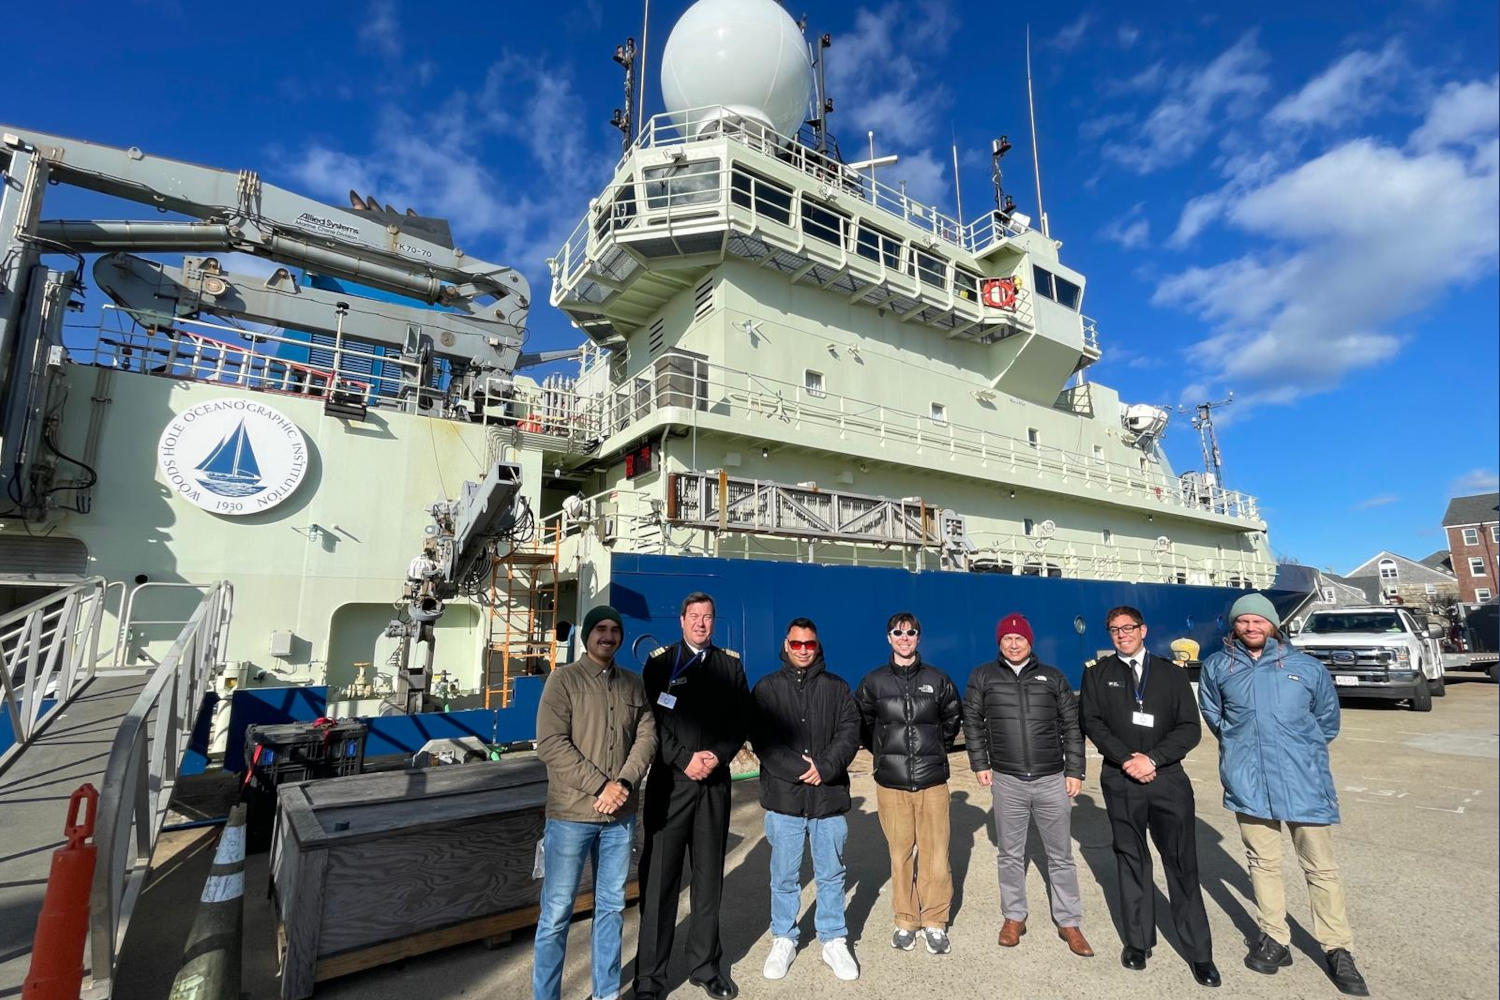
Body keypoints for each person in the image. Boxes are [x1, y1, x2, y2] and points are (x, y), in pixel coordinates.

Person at [1200, 592, 1369, 997]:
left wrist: (1299, 750)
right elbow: (1214, 716)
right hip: (1250, 781)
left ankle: (1337, 947)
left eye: (1259, 621)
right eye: (1243, 621)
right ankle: (1275, 936)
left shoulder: (1306, 668)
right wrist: (1241, 750)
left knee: (1321, 868)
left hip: (1303, 780)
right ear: (1234, 626)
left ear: (1273, 624)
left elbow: (1327, 722)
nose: (1251, 627)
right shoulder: (1218, 666)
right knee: (1262, 862)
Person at [1080, 606, 1221, 988]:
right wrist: (1126, 759)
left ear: (1143, 630)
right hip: (1121, 779)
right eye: (1114, 630)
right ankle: (1138, 941)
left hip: (1167, 778)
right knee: (1131, 860)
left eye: (1128, 628)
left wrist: (1153, 758)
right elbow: (1091, 722)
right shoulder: (1097, 674)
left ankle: (1199, 952)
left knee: (1181, 863)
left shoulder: (1171, 674)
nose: (1122, 635)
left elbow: (1190, 728)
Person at [532, 606, 656, 1000]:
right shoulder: (562, 681)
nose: (608, 635)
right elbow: (551, 744)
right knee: (555, 915)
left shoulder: (634, 684)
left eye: (615, 629)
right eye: (600, 629)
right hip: (571, 816)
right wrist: (601, 786)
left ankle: (606, 993)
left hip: (619, 819)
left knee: (611, 909)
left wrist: (623, 782)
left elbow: (647, 737)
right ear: (587, 636)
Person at [634, 592, 750, 1000]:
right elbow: (648, 720)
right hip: (671, 785)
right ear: (681, 620)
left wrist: (716, 756)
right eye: (694, 616)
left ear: (713, 622)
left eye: (708, 617)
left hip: (713, 785)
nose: (701, 623)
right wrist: (685, 760)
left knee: (707, 882)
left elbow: (740, 721)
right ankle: (649, 978)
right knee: (660, 883)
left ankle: (705, 966)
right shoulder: (660, 664)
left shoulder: (730, 665)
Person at [962, 612, 1093, 958]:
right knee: (1009, 854)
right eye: (1007, 638)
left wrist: (1074, 770)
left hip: (1051, 777)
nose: (1014, 643)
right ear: (999, 642)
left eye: (1020, 638)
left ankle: (1069, 920)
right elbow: (972, 721)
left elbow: (1071, 726)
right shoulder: (983, 676)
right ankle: (1014, 916)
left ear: (1030, 641)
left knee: (1060, 855)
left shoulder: (1052, 677)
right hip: (1007, 779)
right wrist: (980, 763)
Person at [751, 617, 862, 982]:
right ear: (786, 645)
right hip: (785, 797)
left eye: (809, 644)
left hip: (827, 797)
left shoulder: (837, 687)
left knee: (831, 874)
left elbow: (850, 731)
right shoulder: (766, 689)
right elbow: (763, 740)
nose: (802, 650)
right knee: (784, 875)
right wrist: (802, 768)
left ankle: (833, 938)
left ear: (817, 646)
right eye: (796, 644)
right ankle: (784, 937)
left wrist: (826, 767)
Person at [854, 611, 963, 956]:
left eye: (911, 632)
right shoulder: (873, 682)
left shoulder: (938, 679)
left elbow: (951, 718)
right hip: (892, 784)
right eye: (898, 632)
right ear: (888, 637)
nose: (904, 637)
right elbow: (863, 724)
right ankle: (905, 920)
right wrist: (887, 754)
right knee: (900, 854)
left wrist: (931, 751)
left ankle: (934, 921)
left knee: (935, 855)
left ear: (919, 637)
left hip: (932, 782)